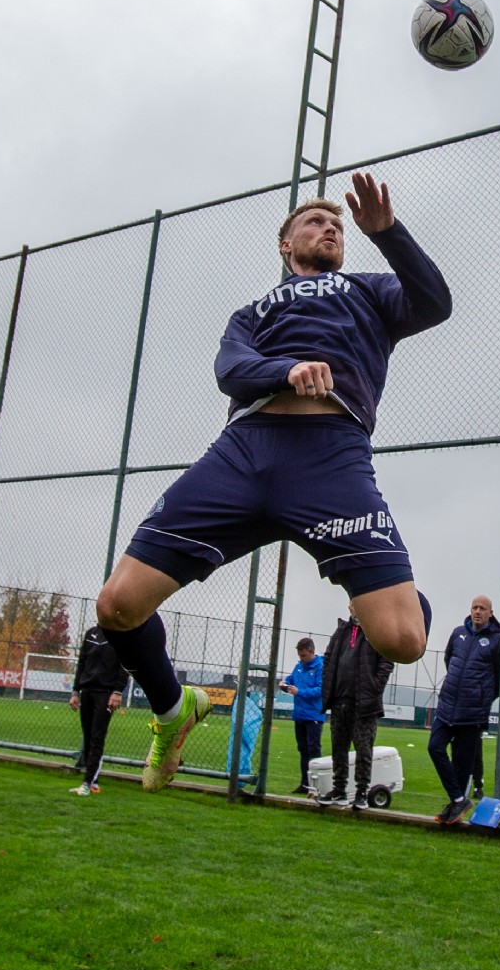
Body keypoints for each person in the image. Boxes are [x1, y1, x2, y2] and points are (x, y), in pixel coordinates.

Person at [91, 171, 448, 791]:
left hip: (332, 460)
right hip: (243, 456)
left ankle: (387, 580)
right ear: (286, 244)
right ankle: (175, 709)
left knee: (404, 640)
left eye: (336, 224)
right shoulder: (254, 310)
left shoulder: (369, 291)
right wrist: (286, 370)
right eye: (314, 221)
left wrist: (388, 234)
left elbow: (436, 303)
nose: (329, 227)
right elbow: (231, 369)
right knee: (116, 606)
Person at [429, 594, 500, 824]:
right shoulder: (458, 633)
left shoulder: (498, 639)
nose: (478, 611)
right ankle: (459, 799)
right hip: (448, 705)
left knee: (463, 765)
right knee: (435, 747)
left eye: (483, 608)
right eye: (474, 607)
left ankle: (455, 806)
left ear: (491, 613)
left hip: (472, 712)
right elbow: (449, 660)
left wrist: (481, 697)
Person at [319, 611, 394, 809]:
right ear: (350, 606)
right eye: (352, 604)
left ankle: (361, 793)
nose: (355, 608)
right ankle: (339, 790)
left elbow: (387, 661)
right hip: (339, 701)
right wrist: (328, 682)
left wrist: (375, 687)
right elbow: (327, 659)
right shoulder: (341, 631)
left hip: (364, 705)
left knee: (363, 750)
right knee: (338, 749)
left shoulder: (376, 631)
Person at [68, 623, 129, 795]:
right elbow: (81, 663)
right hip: (87, 691)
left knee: (96, 737)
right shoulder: (91, 634)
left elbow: (125, 666)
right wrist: (75, 691)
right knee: (88, 737)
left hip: (106, 694)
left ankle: (87, 782)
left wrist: (117, 691)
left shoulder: (121, 635)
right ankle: (92, 782)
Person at [281, 636, 325, 794]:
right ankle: (305, 783)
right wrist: (284, 684)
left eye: (304, 655)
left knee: (314, 749)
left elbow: (321, 690)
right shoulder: (299, 666)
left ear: (312, 652)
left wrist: (300, 692)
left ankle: (317, 785)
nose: (301, 658)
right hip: (299, 714)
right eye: (300, 655)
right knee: (303, 749)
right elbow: (291, 678)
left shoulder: (320, 667)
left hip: (313, 715)